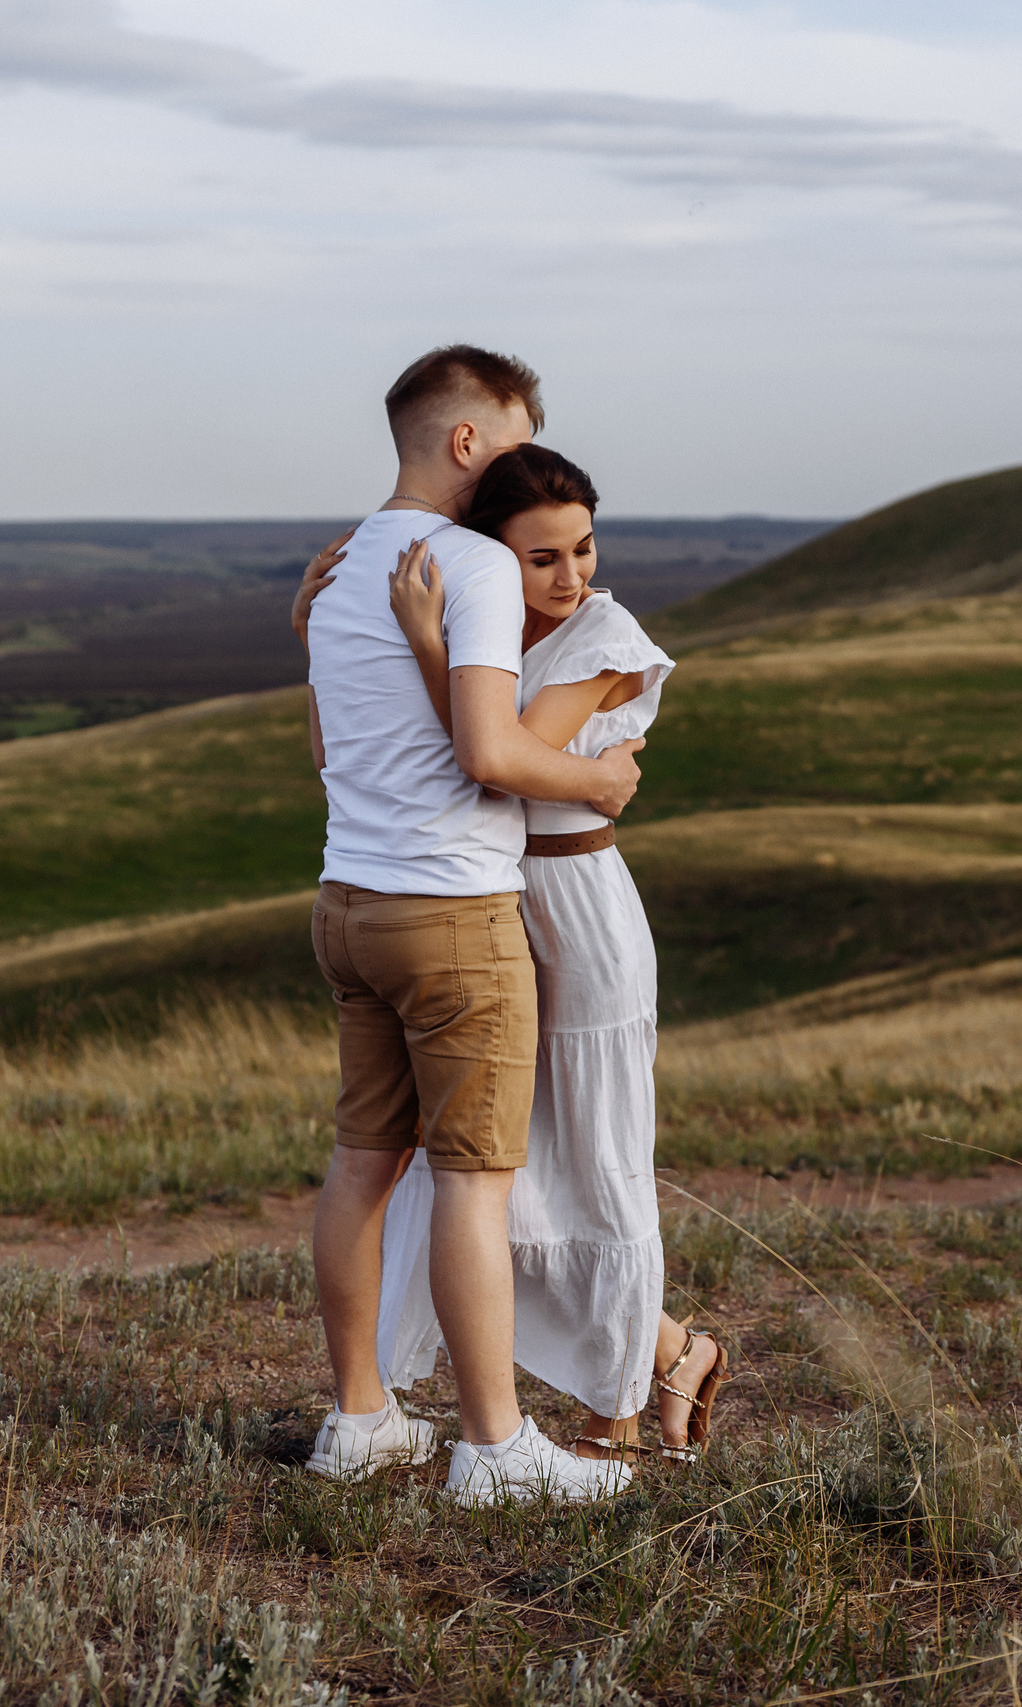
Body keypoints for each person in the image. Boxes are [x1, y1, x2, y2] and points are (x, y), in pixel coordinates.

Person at [299, 345, 643, 1507]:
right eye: (510, 436)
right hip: (452, 914)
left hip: (346, 904)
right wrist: (595, 784)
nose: (519, 463)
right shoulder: (474, 563)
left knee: (361, 1164)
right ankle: (494, 1450)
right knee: (474, 1182)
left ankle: (359, 1420)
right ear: (466, 441)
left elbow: (327, 755)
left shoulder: (344, 568)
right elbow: (494, 754)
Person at [369, 445, 728, 1465]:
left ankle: (614, 1413)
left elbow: (506, 765)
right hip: (490, 910)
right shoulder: (482, 624)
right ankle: (674, 1350)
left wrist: (429, 648)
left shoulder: (605, 633)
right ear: (492, 558)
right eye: (541, 558)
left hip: (580, 914)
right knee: (492, 1173)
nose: (570, 576)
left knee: (598, 1165)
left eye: (582, 548)